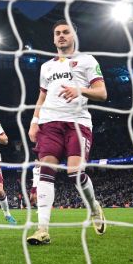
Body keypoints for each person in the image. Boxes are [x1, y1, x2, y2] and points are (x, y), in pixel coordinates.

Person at [26, 20, 108, 245]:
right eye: (57, 33)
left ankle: (94, 208)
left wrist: (79, 90)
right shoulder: (46, 67)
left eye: (66, 32)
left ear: (73, 36)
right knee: (46, 171)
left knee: (75, 173)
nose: (61, 36)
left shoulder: (87, 60)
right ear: (53, 39)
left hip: (77, 123)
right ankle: (42, 229)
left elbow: (102, 93)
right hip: (49, 124)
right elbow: (41, 97)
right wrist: (35, 122)